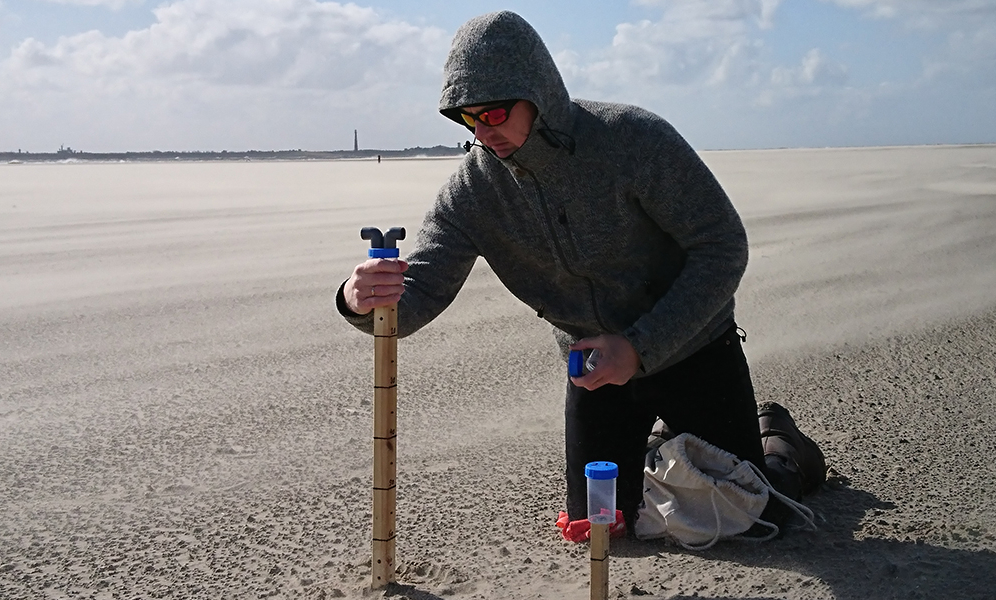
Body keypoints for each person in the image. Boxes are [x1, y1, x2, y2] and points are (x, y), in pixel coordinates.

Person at [336, 10, 824, 534]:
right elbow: (413, 299)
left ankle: (781, 443)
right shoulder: (471, 195)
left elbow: (722, 245)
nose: (482, 131)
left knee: (747, 515)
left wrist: (640, 345)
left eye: (495, 113)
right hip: (594, 371)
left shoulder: (633, 140)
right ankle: (659, 444)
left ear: (537, 94)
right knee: (600, 525)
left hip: (694, 349)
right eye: (468, 118)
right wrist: (358, 297)